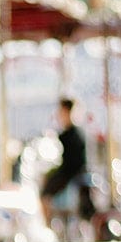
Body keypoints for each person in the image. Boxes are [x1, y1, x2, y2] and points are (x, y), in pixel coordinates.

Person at [40, 97, 89, 226]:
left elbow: (71, 162)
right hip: (72, 172)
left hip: (71, 173)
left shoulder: (71, 135)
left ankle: (48, 224)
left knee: (44, 194)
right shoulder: (72, 133)